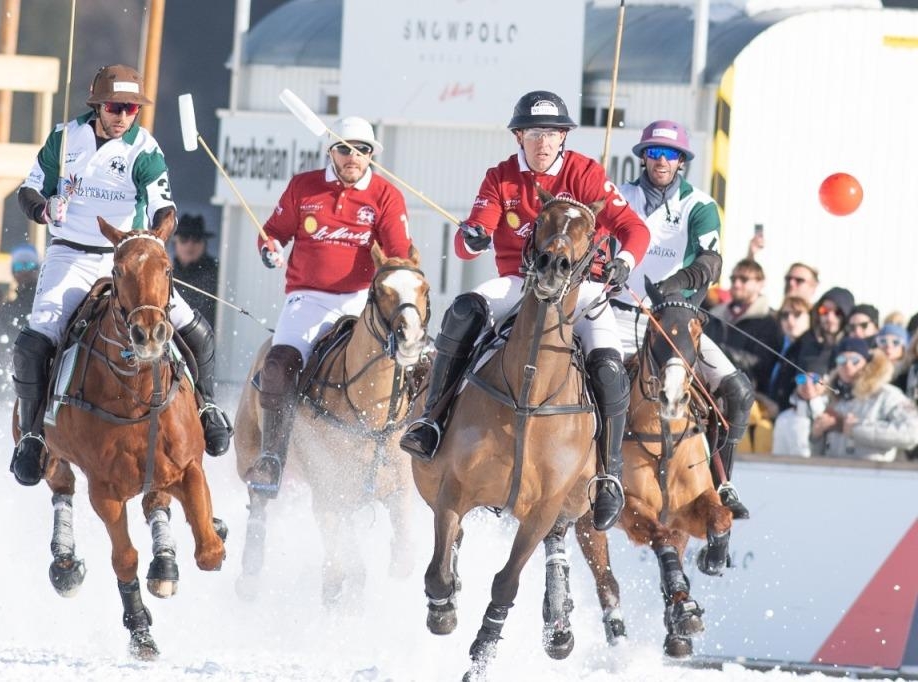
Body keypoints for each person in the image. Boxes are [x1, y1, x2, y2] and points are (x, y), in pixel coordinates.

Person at [399, 91, 650, 531]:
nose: (544, 143)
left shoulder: (585, 173)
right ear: (519, 136)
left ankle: (608, 476)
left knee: (609, 368)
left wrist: (624, 261)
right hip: (520, 284)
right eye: (535, 134)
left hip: (580, 289)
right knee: (463, 311)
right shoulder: (500, 177)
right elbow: (470, 238)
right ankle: (431, 422)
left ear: (563, 137)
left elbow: (634, 228)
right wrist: (473, 238)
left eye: (552, 134)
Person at [9, 64, 232, 487]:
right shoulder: (65, 137)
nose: (123, 116)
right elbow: (28, 189)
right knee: (36, 339)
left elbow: (162, 204)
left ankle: (207, 407)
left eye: (131, 108)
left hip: (126, 257)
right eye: (115, 107)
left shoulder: (143, 149)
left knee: (194, 329)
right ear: (98, 105)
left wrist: (159, 232)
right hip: (70, 255)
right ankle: (34, 434)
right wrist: (44, 209)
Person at [245, 116, 413, 498]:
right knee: (278, 364)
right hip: (308, 298)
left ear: (372, 155)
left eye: (362, 150)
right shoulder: (304, 187)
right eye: (345, 148)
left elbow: (399, 254)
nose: (353, 156)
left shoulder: (385, 195)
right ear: (330, 150)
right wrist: (269, 249)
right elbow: (273, 232)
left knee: (406, 361)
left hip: (361, 301)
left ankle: (400, 450)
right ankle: (272, 457)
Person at [611, 120, 753, 519]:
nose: (661, 161)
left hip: (674, 324)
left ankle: (722, 483)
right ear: (643, 157)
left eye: (670, 155)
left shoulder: (700, 206)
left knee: (737, 392)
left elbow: (711, 262)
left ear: (682, 162)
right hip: (618, 316)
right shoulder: (620, 196)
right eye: (654, 153)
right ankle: (593, 476)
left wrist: (674, 286)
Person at [810, 337, 918, 462]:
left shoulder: (887, 395)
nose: (848, 365)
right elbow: (817, 455)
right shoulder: (831, 398)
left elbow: (912, 433)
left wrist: (854, 428)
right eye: (842, 360)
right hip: (836, 475)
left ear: (867, 363)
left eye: (855, 360)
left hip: (876, 475)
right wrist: (816, 436)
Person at [771, 286, 854, 412]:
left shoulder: (851, 348)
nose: (830, 318)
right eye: (824, 311)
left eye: (837, 313)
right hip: (794, 412)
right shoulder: (806, 341)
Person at [706, 259, 782, 394]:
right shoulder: (714, 316)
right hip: (708, 388)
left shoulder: (769, 321)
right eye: (733, 279)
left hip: (748, 395)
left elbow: (761, 362)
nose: (736, 284)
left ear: (760, 283)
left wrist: (721, 352)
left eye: (744, 279)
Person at [172, 214, 219, 326]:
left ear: (204, 244)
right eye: (184, 239)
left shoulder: (217, 274)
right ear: (175, 243)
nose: (190, 245)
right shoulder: (165, 274)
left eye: (196, 239)